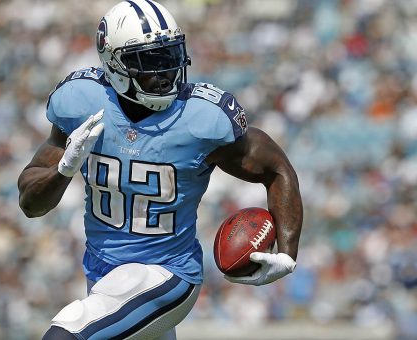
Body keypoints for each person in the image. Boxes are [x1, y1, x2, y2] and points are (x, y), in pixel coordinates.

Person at [17, 1, 303, 339]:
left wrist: (287, 252)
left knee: (67, 333)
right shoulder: (81, 103)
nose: (166, 70)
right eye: (151, 61)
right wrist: (63, 170)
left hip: (169, 275)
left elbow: (276, 169)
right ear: (114, 63)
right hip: (102, 273)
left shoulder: (200, 119)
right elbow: (30, 204)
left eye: (170, 55)